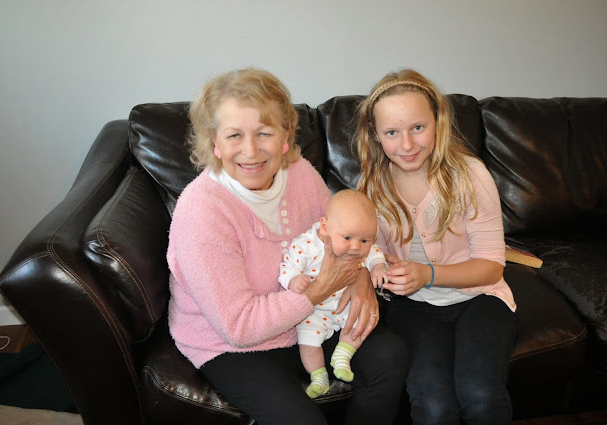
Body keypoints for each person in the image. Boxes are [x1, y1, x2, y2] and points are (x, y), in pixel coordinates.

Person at [167, 68, 408, 425]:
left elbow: (343, 236)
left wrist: (359, 276)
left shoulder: (300, 173)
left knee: (390, 355)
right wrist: (320, 289)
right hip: (231, 346)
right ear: (214, 141)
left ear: (286, 135)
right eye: (234, 135)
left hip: (311, 320)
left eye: (264, 132)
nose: (251, 150)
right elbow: (238, 327)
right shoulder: (201, 211)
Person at [354, 68, 518, 425]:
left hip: (481, 297)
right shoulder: (370, 186)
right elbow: (368, 251)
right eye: (392, 132)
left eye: (418, 127)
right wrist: (378, 264)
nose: (407, 145)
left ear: (438, 122)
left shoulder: (469, 175)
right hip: (412, 308)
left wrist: (427, 274)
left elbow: (492, 267)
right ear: (375, 135)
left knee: (480, 394)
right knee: (433, 408)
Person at [278, 189, 388, 399]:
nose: (355, 247)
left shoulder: (360, 242)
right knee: (307, 341)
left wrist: (378, 267)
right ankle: (318, 377)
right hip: (314, 310)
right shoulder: (306, 245)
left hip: (346, 303)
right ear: (325, 227)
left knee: (364, 320)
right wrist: (293, 280)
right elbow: (287, 267)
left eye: (365, 240)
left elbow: (375, 254)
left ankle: (342, 355)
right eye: (347, 238)